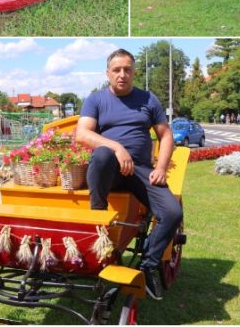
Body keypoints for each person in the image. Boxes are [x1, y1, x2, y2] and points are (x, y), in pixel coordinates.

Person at [76, 49, 183, 300]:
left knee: (172, 213)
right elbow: (82, 134)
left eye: (127, 70)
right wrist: (116, 147)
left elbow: (166, 135)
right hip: (109, 170)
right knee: (102, 154)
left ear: (134, 73)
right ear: (108, 73)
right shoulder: (96, 100)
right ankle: (99, 220)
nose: (122, 74)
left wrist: (160, 168)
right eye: (116, 70)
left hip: (141, 170)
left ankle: (148, 265)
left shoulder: (148, 99)